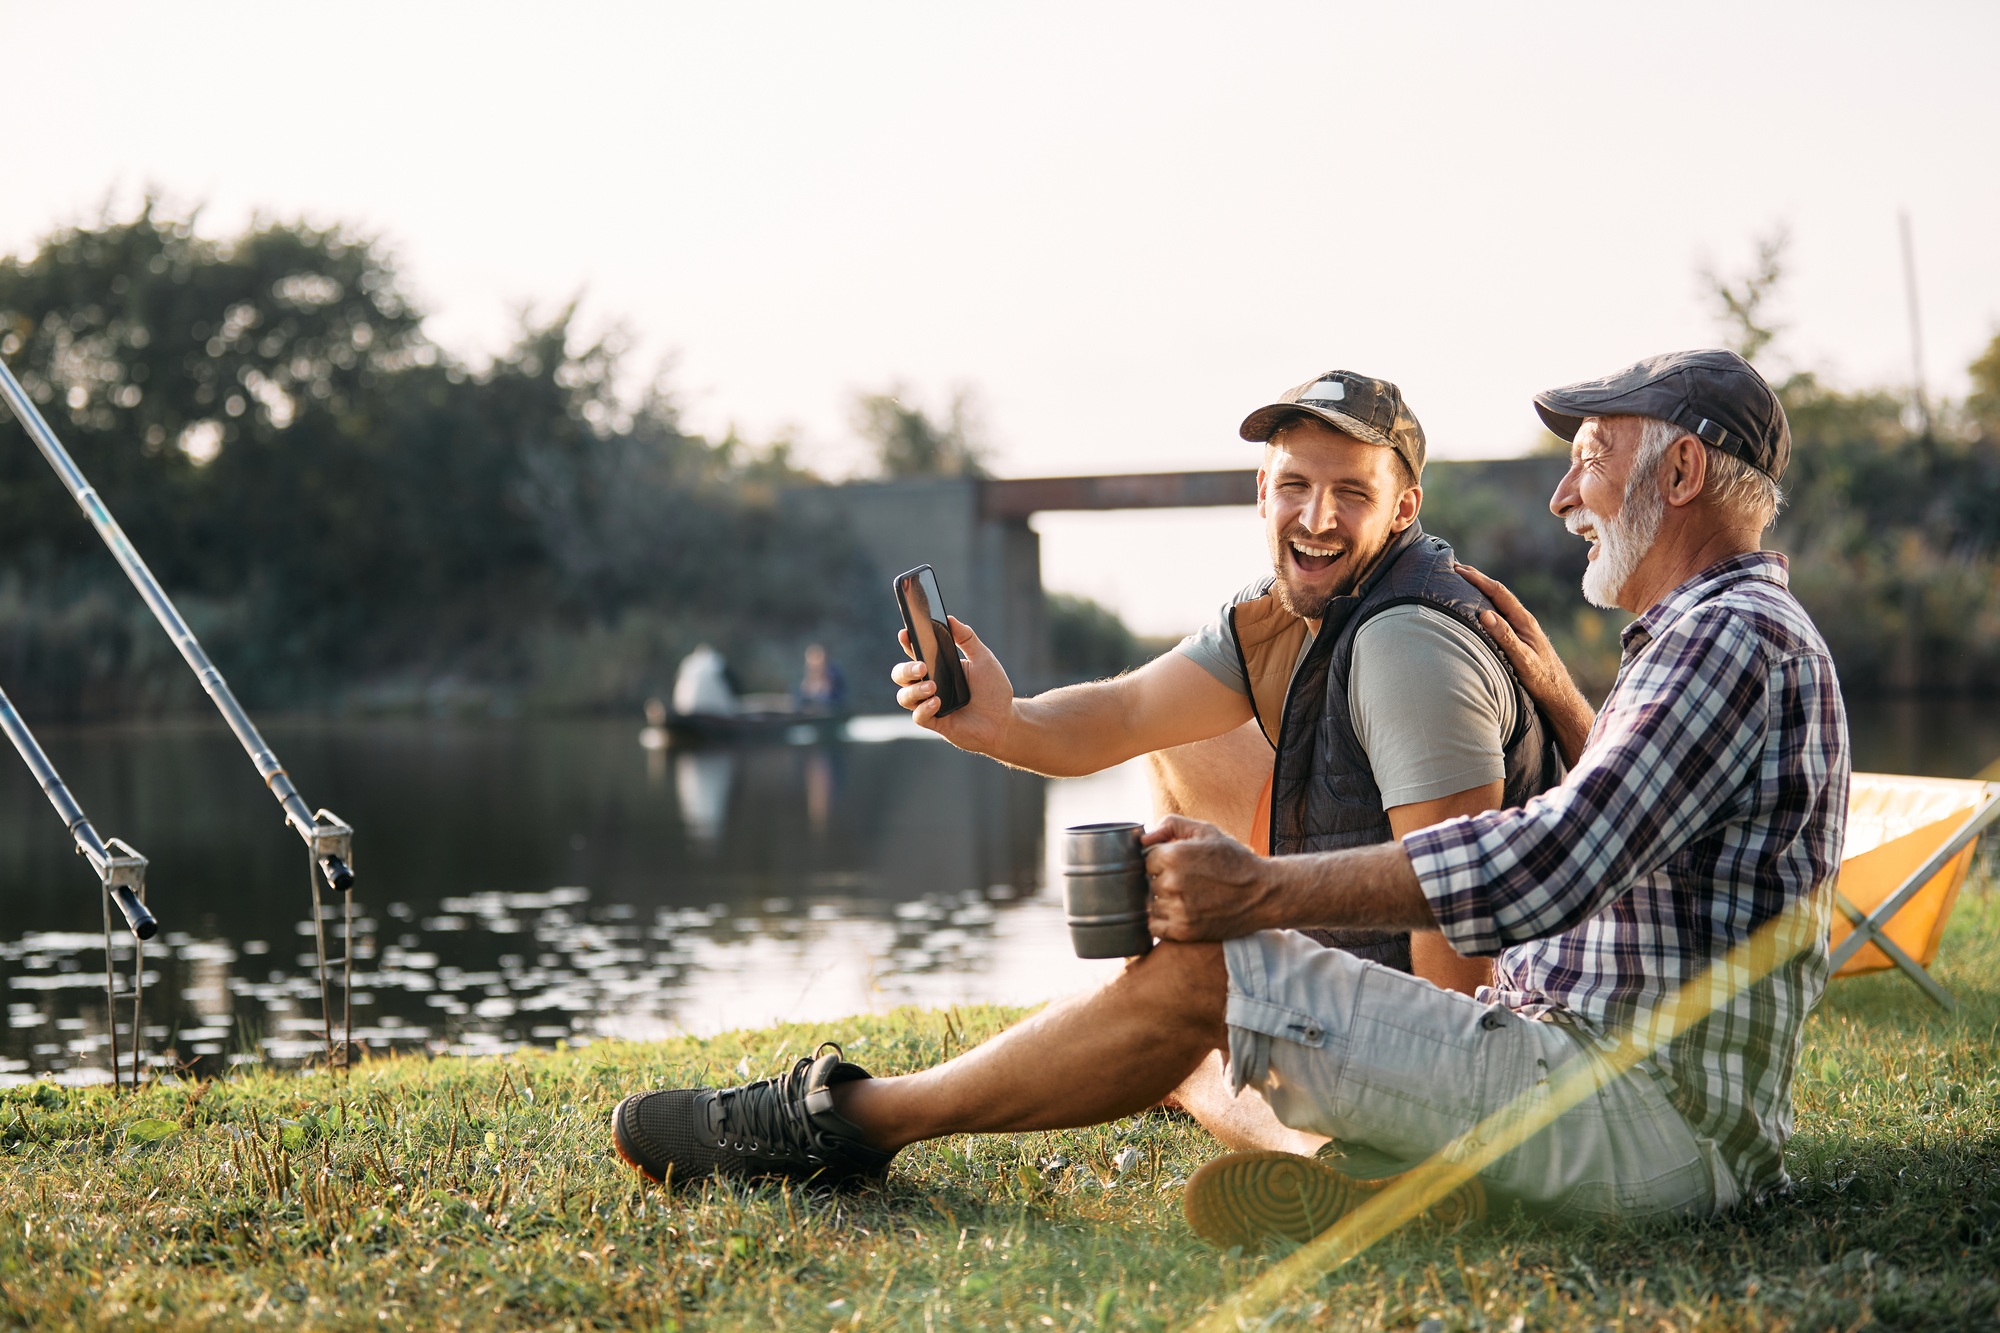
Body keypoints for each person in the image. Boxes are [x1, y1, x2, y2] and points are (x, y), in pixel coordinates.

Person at [608, 350, 1846, 1247]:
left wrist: (1260, 896)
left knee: (1213, 979)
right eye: (1288, 484)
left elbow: (1529, 868)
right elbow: (1619, 842)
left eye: (1590, 460)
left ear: (1678, 470)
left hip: (1643, 1122)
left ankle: (844, 1124)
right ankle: (1365, 1160)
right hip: (1601, 1080)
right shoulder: (1699, 635)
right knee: (1204, 1019)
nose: (1564, 494)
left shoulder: (1713, 637)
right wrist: (996, 721)